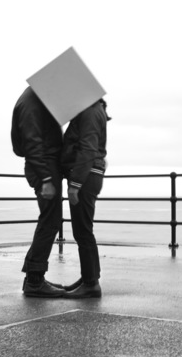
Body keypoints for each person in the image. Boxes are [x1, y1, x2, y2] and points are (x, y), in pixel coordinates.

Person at [11, 86, 67, 298]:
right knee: (50, 221)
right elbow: (32, 142)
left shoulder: (34, 99)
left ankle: (34, 277)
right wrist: (45, 178)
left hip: (46, 166)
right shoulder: (32, 102)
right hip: (44, 167)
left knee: (49, 220)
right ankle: (34, 280)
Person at [59, 98, 110, 299]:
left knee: (83, 231)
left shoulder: (89, 110)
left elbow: (88, 148)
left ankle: (91, 284)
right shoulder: (95, 109)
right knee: (84, 231)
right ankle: (89, 277)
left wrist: (75, 184)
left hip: (86, 176)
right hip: (90, 174)